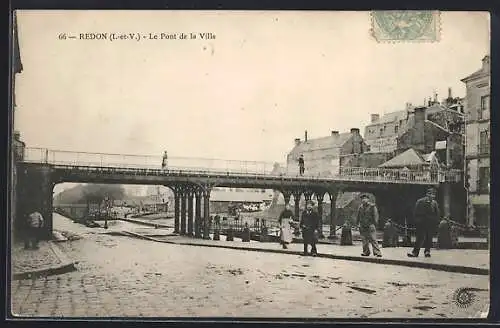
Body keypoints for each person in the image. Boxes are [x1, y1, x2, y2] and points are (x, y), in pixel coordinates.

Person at [407, 187, 440, 258]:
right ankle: (415, 252)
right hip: (422, 223)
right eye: (431, 194)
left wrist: (436, 221)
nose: (432, 196)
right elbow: (416, 212)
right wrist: (418, 221)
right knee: (419, 238)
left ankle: (427, 251)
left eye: (434, 195)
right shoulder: (420, 201)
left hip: (430, 224)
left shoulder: (434, 203)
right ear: (427, 194)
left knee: (429, 238)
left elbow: (437, 213)